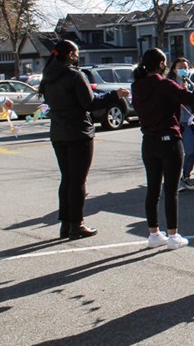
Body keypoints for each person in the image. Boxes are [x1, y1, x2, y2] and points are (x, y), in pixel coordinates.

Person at [38, 40, 130, 239]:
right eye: (76, 53)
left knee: (67, 178)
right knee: (78, 181)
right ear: (71, 54)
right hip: (78, 132)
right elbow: (90, 103)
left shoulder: (49, 76)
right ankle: (77, 224)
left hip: (58, 132)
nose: (78, 57)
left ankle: (66, 223)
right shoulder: (74, 75)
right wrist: (115, 94)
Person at [131, 49, 194, 250]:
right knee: (171, 190)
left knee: (153, 189)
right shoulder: (164, 85)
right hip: (169, 140)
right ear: (161, 63)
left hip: (148, 141)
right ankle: (173, 235)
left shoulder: (137, 86)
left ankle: (154, 233)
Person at [167, 57, 194, 192]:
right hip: (173, 124)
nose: (183, 70)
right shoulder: (169, 84)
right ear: (174, 69)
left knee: (191, 151)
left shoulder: (190, 83)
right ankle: (173, 181)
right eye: (180, 67)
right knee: (173, 155)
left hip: (187, 123)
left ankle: (185, 177)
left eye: (186, 67)